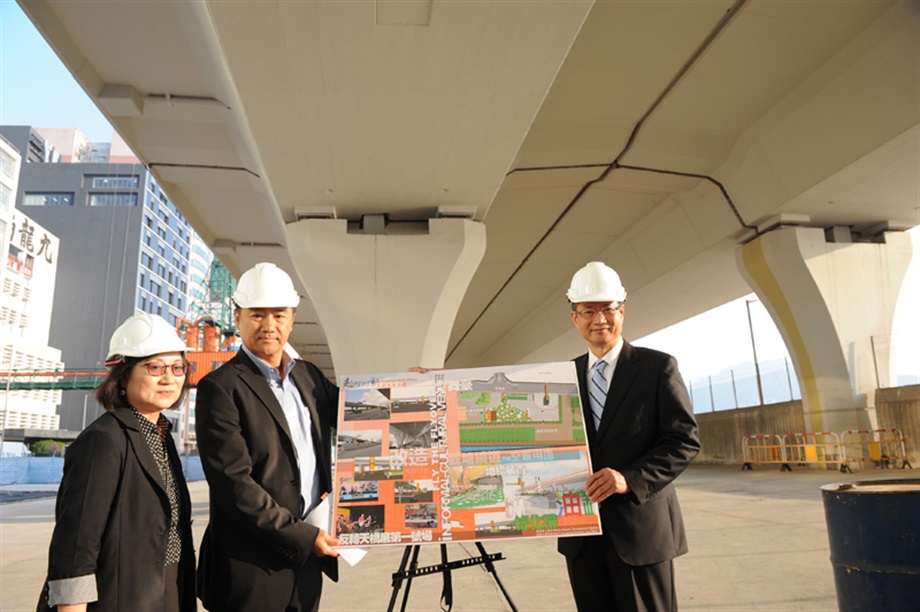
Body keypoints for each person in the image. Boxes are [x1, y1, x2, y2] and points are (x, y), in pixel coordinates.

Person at [196, 262, 339, 612]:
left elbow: (361, 414)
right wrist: (305, 538)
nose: (269, 326)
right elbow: (234, 486)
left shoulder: (309, 377)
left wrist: (408, 386)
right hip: (250, 570)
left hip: (305, 567)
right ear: (238, 316)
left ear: (292, 317)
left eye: (279, 315)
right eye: (257, 315)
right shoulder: (220, 388)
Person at [558, 261, 700, 612]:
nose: (599, 319)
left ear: (622, 311)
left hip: (641, 530)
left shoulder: (658, 368)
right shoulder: (560, 378)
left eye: (607, 309)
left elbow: (684, 441)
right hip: (582, 535)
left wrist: (629, 479)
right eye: (588, 311)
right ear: (575, 318)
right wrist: (441, 387)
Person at [37, 314, 196, 611]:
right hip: (121, 598)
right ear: (123, 376)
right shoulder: (103, 440)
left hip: (168, 591)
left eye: (177, 367)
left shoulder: (163, 436)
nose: (168, 378)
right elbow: (76, 544)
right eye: (154, 367)